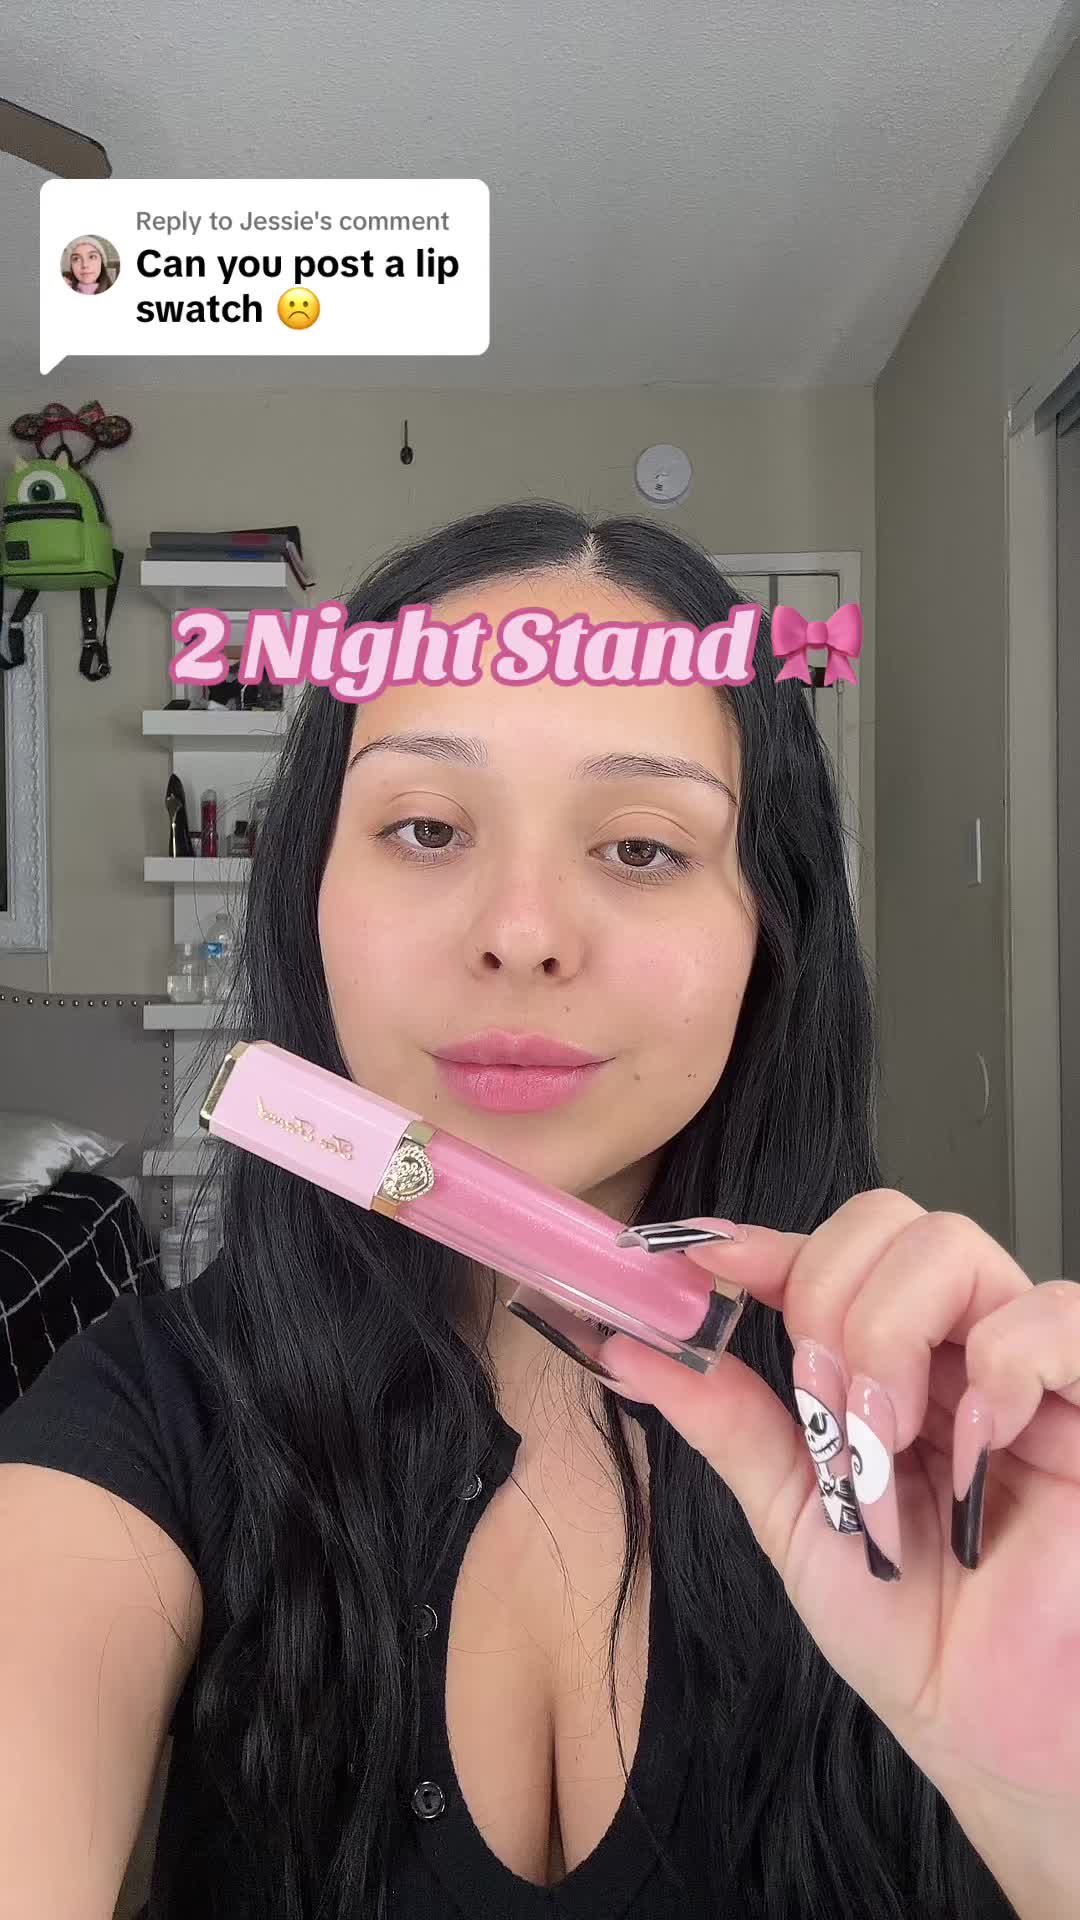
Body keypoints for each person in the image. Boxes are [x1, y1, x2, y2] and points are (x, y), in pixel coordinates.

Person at [0, 500, 1076, 1920]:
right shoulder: (135, 1420)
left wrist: (1049, 1813)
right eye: (425, 826)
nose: (521, 931)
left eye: (641, 848)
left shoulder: (949, 1457)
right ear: (310, 892)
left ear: (773, 926)